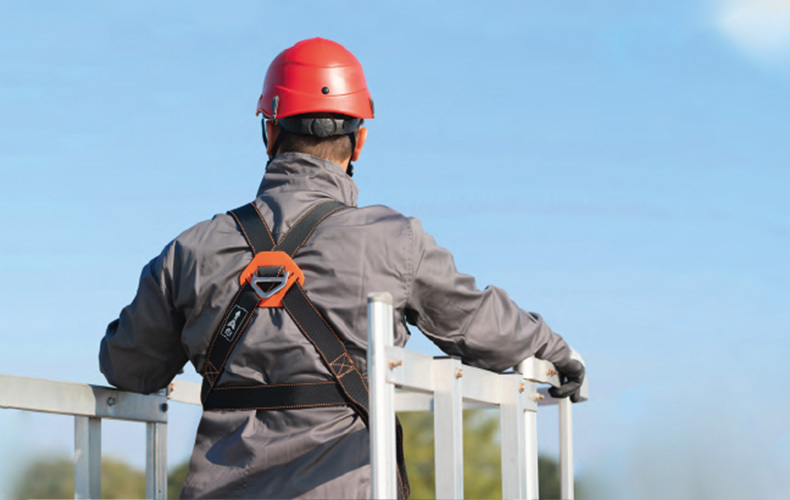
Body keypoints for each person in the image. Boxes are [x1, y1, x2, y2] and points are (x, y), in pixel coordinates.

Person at [99, 37, 585, 499]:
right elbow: (484, 327)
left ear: (269, 131)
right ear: (360, 141)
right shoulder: (395, 241)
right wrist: (557, 353)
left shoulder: (191, 251)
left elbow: (128, 366)